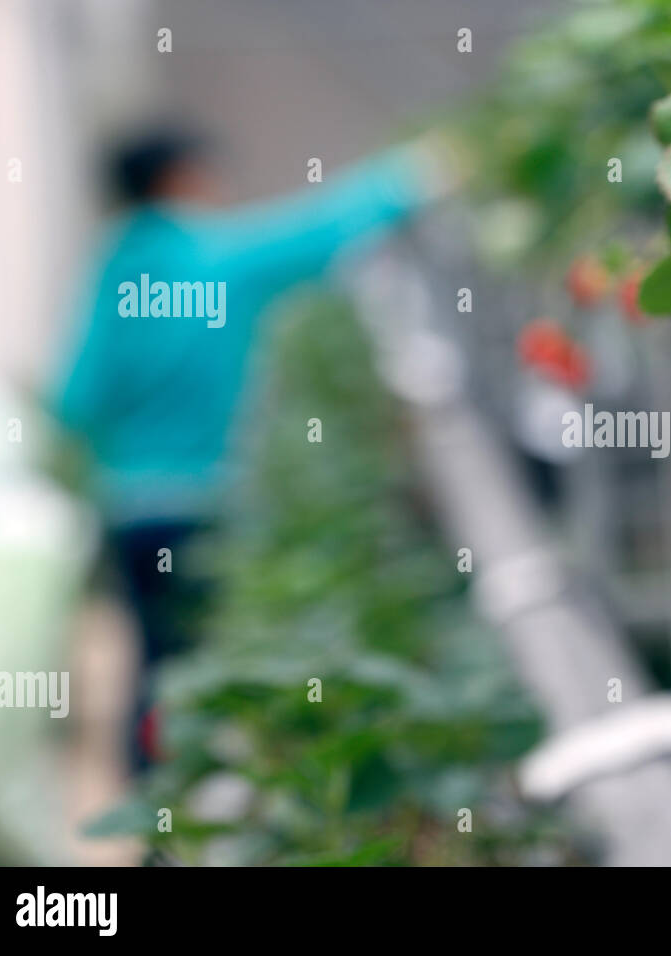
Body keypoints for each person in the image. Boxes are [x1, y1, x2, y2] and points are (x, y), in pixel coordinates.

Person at [51, 125, 452, 768]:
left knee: (152, 664)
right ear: (181, 178)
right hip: (202, 501)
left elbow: (74, 399)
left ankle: (148, 814)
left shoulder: (113, 268)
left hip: (128, 508)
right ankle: (190, 814)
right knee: (204, 668)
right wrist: (414, 173)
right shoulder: (214, 258)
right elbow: (321, 230)